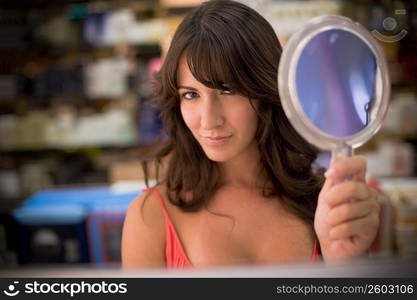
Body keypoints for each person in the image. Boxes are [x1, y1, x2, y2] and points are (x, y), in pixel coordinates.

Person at [121, 0, 381, 269]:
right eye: (191, 95)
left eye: (228, 90)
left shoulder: (323, 204)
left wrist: (345, 262)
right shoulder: (150, 217)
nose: (209, 120)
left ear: (265, 90)